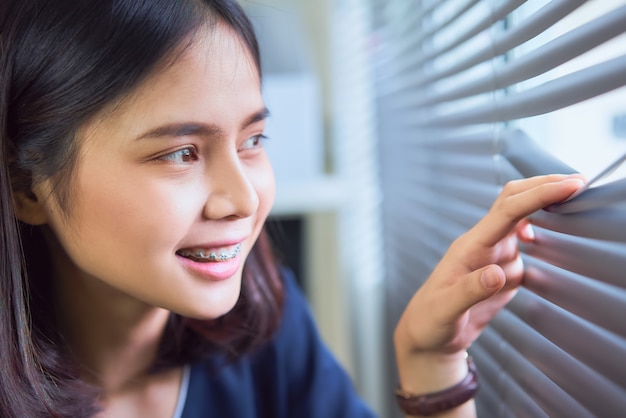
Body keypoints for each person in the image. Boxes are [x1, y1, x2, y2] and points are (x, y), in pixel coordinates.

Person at [0, 0, 585, 417]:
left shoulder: (265, 328)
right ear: (27, 187)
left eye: (252, 141)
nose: (245, 198)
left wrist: (431, 364)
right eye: (181, 153)